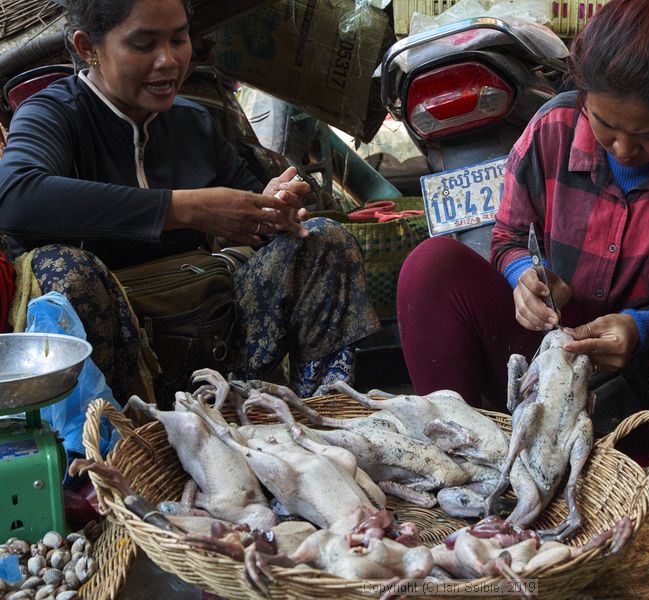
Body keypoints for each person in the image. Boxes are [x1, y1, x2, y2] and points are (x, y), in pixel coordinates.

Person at [398, 0, 649, 472]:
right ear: (584, 95)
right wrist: (523, 277)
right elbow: (509, 235)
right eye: (606, 125)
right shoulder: (551, 128)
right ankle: (465, 467)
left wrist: (646, 328)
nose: (625, 148)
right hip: (546, 377)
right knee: (431, 268)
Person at [0, 0, 380, 405]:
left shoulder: (194, 120)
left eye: (179, 39)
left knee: (322, 240)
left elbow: (253, 214)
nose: (169, 61)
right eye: (144, 44)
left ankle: (320, 421)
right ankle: (113, 449)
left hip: (210, 336)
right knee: (59, 267)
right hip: (115, 363)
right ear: (87, 47)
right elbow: (16, 198)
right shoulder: (53, 112)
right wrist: (183, 208)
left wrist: (273, 208)